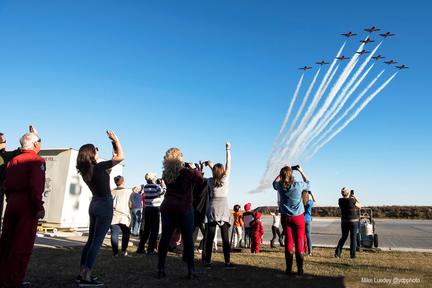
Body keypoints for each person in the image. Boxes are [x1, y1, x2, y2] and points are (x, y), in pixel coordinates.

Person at [76, 131, 124, 287]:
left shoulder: (86, 171)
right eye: (96, 149)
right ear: (91, 153)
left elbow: (107, 170)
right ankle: (87, 276)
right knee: (97, 242)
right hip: (104, 204)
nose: (97, 151)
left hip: (94, 204)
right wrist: (116, 140)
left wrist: (112, 148)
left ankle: (82, 272)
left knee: (90, 241)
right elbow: (121, 157)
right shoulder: (99, 167)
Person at [0, 131, 45, 288]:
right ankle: (14, 280)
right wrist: (39, 206)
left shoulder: (12, 161)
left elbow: (6, 184)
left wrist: (9, 198)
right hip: (27, 204)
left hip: (12, 202)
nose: (40, 143)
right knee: (22, 245)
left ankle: (3, 278)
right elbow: (36, 187)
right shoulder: (36, 160)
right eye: (39, 141)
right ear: (34, 144)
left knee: (7, 243)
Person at [157, 148, 203, 279]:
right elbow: (200, 180)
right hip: (184, 208)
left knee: (165, 238)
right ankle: (191, 270)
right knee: (188, 239)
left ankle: (161, 268)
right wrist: (195, 168)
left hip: (168, 207)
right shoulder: (187, 173)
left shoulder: (166, 173)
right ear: (179, 158)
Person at [273, 165, 309, 276]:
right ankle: (300, 269)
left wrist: (283, 173)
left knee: (289, 241)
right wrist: (300, 170)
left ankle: (288, 269)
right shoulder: (297, 185)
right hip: (298, 217)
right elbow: (308, 182)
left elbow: (274, 182)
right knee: (299, 242)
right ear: (291, 175)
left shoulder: (279, 186)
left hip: (285, 217)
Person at [203, 142, 235, 269]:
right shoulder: (224, 179)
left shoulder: (210, 181)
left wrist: (210, 166)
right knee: (225, 238)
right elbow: (228, 165)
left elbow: (215, 174)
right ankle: (227, 263)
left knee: (210, 238)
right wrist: (228, 150)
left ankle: (207, 262)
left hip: (212, 208)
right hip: (223, 208)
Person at [0, 126, 37, 232]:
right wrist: (33, 136)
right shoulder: (4, 156)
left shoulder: (5, 156)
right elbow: (22, 150)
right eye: (4, 141)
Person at [137, 172, 166, 255]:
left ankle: (141, 247)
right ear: (152, 178)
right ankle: (150, 249)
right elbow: (163, 192)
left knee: (146, 230)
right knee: (154, 230)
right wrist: (163, 184)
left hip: (147, 209)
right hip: (155, 209)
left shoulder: (145, 187)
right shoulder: (156, 187)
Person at [335, 187, 361, 259]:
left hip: (344, 221)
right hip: (353, 221)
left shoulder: (340, 200)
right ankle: (353, 255)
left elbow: (345, 201)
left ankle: (338, 253)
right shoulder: (352, 200)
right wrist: (354, 197)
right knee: (353, 238)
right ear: (348, 193)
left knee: (343, 237)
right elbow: (359, 206)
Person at [110, 176, 132, 257]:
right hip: (124, 215)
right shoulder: (128, 191)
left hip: (114, 215)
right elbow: (130, 204)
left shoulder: (112, 191)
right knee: (126, 233)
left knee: (114, 234)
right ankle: (124, 251)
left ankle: (115, 253)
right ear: (123, 181)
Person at [303, 190, 316, 256]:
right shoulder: (309, 202)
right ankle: (310, 252)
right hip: (308, 219)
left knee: (301, 236)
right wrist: (311, 194)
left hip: (302, 219)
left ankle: (302, 249)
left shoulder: (301, 202)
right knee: (308, 237)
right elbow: (314, 201)